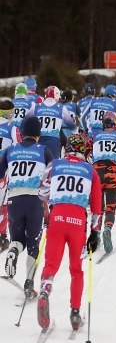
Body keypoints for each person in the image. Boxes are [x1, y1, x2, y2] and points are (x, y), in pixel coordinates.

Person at [37, 134, 102, 330]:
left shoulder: (54, 165)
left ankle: (45, 291)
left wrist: (50, 203)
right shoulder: (91, 171)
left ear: (67, 148)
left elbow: (41, 192)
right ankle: (75, 313)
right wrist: (94, 232)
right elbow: (97, 205)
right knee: (76, 269)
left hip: (57, 219)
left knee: (51, 263)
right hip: (78, 223)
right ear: (83, 150)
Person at [0, 117, 53, 299]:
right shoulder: (44, 151)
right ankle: (29, 284)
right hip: (35, 201)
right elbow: (53, 177)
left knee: (17, 239)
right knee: (33, 244)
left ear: (21, 133)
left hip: (14, 200)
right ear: (38, 134)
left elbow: (0, 174)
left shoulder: (10, 150)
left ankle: (13, 251)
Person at [85, 112, 116, 253]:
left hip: (97, 173)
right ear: (114, 125)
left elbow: (85, 153)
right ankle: (108, 228)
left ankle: (96, 235)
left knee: (98, 207)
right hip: (113, 173)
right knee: (110, 207)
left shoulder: (94, 136)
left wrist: (90, 164)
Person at [27, 86, 78, 158]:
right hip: (54, 143)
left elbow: (26, 121)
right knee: (52, 166)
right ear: (56, 96)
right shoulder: (61, 108)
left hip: (38, 141)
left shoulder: (36, 107)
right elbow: (72, 127)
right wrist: (78, 135)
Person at [0, 100, 21, 250]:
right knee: (3, 203)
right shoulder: (12, 127)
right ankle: (2, 237)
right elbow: (18, 147)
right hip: (3, 169)